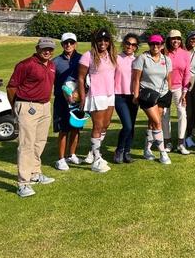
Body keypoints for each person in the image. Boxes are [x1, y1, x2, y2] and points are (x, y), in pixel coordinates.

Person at [8, 37, 57, 197]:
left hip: (45, 106)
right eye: (44, 48)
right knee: (26, 145)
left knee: (40, 142)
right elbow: (12, 87)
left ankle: (35, 173)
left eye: (50, 49)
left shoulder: (51, 65)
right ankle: (23, 183)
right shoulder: (26, 64)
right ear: (37, 49)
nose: (47, 51)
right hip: (27, 105)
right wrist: (16, 107)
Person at [78, 28, 117, 173]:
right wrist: (82, 97)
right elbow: (80, 78)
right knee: (98, 126)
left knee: (105, 125)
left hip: (109, 94)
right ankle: (97, 159)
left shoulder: (111, 55)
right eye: (100, 40)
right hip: (96, 94)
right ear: (95, 41)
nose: (103, 43)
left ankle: (93, 152)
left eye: (106, 40)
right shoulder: (88, 56)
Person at [132, 34, 173, 165]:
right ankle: (163, 153)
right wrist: (136, 95)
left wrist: (169, 92)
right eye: (152, 44)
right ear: (149, 45)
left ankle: (147, 150)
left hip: (163, 94)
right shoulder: (143, 58)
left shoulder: (167, 59)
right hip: (147, 94)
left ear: (162, 45)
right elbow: (136, 79)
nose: (155, 46)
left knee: (152, 123)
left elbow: (169, 78)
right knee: (157, 122)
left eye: (158, 44)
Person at [52, 32, 82, 171]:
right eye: (66, 43)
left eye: (71, 42)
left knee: (76, 128)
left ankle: (72, 154)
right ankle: (61, 159)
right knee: (63, 130)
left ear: (75, 44)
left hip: (78, 100)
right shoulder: (56, 62)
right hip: (61, 101)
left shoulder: (82, 59)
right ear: (62, 44)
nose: (68, 45)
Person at [162, 29, 191, 155]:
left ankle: (181, 143)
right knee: (165, 115)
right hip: (164, 88)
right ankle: (167, 142)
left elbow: (187, 73)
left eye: (178, 39)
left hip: (179, 88)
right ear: (169, 40)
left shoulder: (185, 54)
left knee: (182, 113)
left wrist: (184, 92)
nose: (176, 41)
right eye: (173, 38)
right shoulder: (163, 53)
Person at [113, 33, 140, 164]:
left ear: (136, 47)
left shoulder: (138, 60)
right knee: (127, 125)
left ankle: (127, 152)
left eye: (133, 45)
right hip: (119, 95)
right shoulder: (116, 58)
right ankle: (119, 150)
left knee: (132, 126)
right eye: (128, 43)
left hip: (133, 96)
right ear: (124, 43)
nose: (130, 46)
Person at [184, 31, 195, 148]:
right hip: (181, 81)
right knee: (185, 110)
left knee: (192, 109)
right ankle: (183, 135)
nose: (194, 41)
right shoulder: (181, 51)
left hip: (194, 81)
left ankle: (189, 134)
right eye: (192, 38)